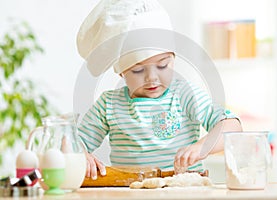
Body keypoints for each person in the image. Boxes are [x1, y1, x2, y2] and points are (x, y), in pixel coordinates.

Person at [76, 0, 242, 180]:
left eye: (162, 66)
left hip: (184, 191)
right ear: (121, 73)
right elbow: (72, 142)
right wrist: (81, 155)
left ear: (173, 59)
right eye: (138, 70)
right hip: (128, 193)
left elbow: (232, 125)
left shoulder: (185, 95)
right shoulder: (108, 105)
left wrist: (203, 146)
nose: (152, 77)